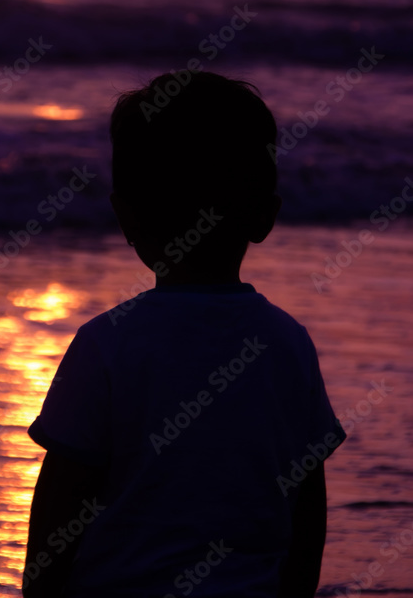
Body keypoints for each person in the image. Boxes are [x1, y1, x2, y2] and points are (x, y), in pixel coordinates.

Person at [23, 70, 346, 598]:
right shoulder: (288, 343)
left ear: (125, 216)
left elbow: (58, 515)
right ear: (264, 216)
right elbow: (306, 514)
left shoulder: (106, 343)